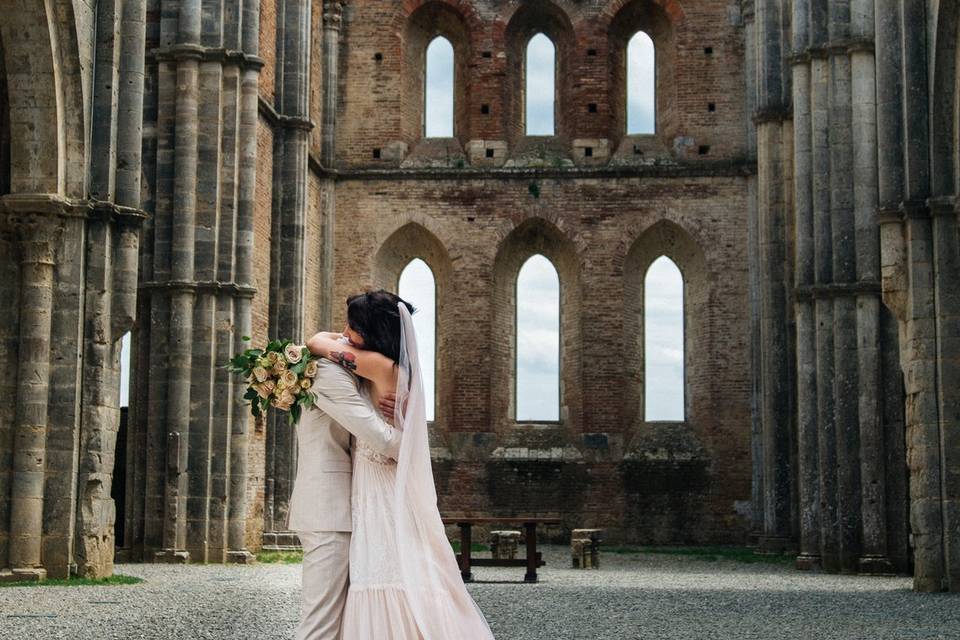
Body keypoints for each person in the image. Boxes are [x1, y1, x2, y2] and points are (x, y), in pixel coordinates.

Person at [306, 290, 494, 640]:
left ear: (373, 332)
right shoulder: (393, 365)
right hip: (384, 482)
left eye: (353, 326)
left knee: (385, 570)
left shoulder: (376, 365)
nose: (345, 331)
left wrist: (334, 340)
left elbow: (317, 342)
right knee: (402, 570)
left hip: (380, 487)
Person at [286, 352, 401, 640]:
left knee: (337, 621)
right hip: (327, 509)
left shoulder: (337, 367)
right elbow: (382, 440)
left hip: (340, 507)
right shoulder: (328, 373)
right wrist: (411, 433)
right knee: (320, 623)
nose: (347, 335)